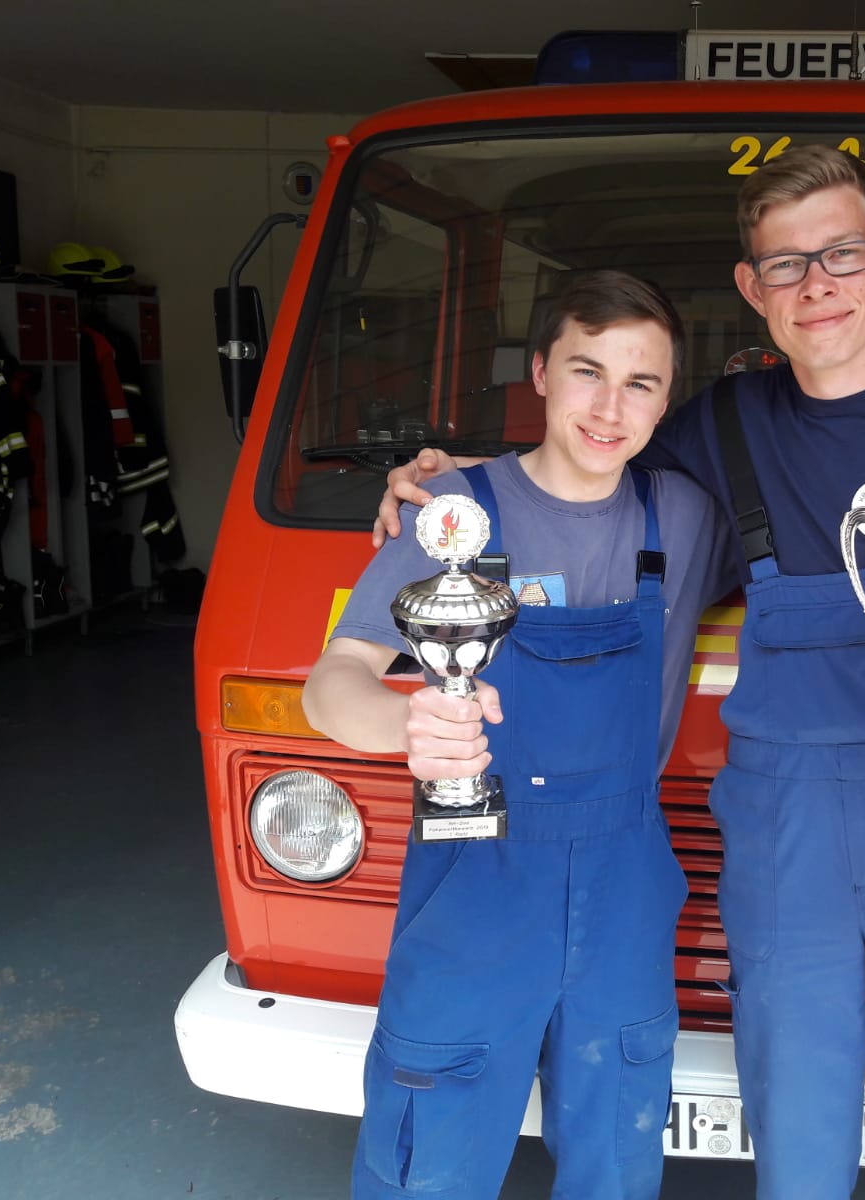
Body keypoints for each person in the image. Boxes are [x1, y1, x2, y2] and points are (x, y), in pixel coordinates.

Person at [377, 146, 865, 1200]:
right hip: (779, 816)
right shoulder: (714, 425)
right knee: (793, 1119)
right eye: (785, 264)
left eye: (840, 254)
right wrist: (453, 488)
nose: (817, 285)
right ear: (751, 287)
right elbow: (582, 457)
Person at [304, 270, 737, 1199]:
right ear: (539, 372)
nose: (610, 409)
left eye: (641, 383)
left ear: (666, 400)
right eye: (587, 372)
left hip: (624, 883)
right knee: (431, 1157)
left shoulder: (688, 515)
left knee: (616, 1159)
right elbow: (331, 684)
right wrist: (405, 724)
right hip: (476, 879)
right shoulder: (451, 514)